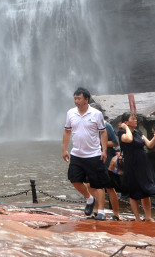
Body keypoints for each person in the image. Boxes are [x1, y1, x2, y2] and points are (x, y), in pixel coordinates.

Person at [62, 87, 111, 220]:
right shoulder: (71, 113)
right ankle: (89, 199)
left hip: (93, 155)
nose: (76, 101)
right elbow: (67, 131)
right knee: (74, 180)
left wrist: (104, 150)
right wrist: (64, 149)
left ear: (86, 100)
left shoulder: (96, 114)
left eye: (79, 98)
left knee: (98, 184)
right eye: (75, 98)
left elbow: (103, 132)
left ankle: (101, 211)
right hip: (77, 154)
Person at [118, 113, 155, 221]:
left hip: (143, 163)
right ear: (126, 122)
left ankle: (148, 217)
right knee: (134, 191)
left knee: (146, 190)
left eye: (135, 119)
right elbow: (129, 139)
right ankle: (137, 218)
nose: (136, 121)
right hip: (131, 164)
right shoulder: (121, 133)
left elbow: (150, 145)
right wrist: (125, 128)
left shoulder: (138, 132)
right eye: (133, 119)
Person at [103, 122, 122, 220]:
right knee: (93, 185)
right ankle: (98, 211)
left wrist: (99, 142)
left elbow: (115, 142)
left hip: (108, 159)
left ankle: (116, 214)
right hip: (93, 157)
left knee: (110, 187)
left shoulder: (106, 126)